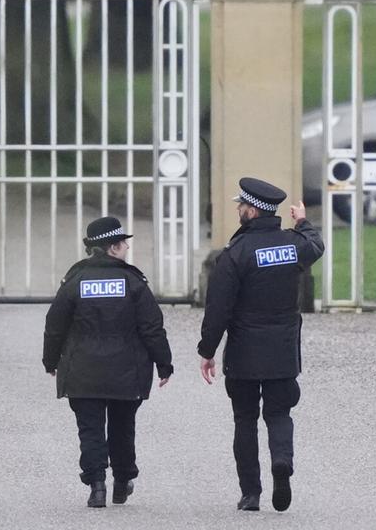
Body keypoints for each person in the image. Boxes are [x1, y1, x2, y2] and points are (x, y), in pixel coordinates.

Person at [198, 177, 326, 513]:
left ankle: (250, 493)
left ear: (252, 211)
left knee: (244, 419)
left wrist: (207, 350)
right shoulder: (292, 245)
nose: (238, 209)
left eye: (241, 205)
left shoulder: (235, 254)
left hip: (244, 353)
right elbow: (316, 245)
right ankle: (281, 462)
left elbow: (218, 310)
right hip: (282, 350)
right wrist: (302, 221)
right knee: (279, 413)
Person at [42, 215, 174, 509]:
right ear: (113, 247)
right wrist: (164, 364)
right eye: (124, 244)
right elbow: (152, 327)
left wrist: (50, 361)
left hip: (82, 371)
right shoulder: (133, 281)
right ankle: (123, 481)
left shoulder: (75, 280)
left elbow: (55, 325)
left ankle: (97, 484)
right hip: (126, 371)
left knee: (89, 429)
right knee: (122, 427)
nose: (127, 248)